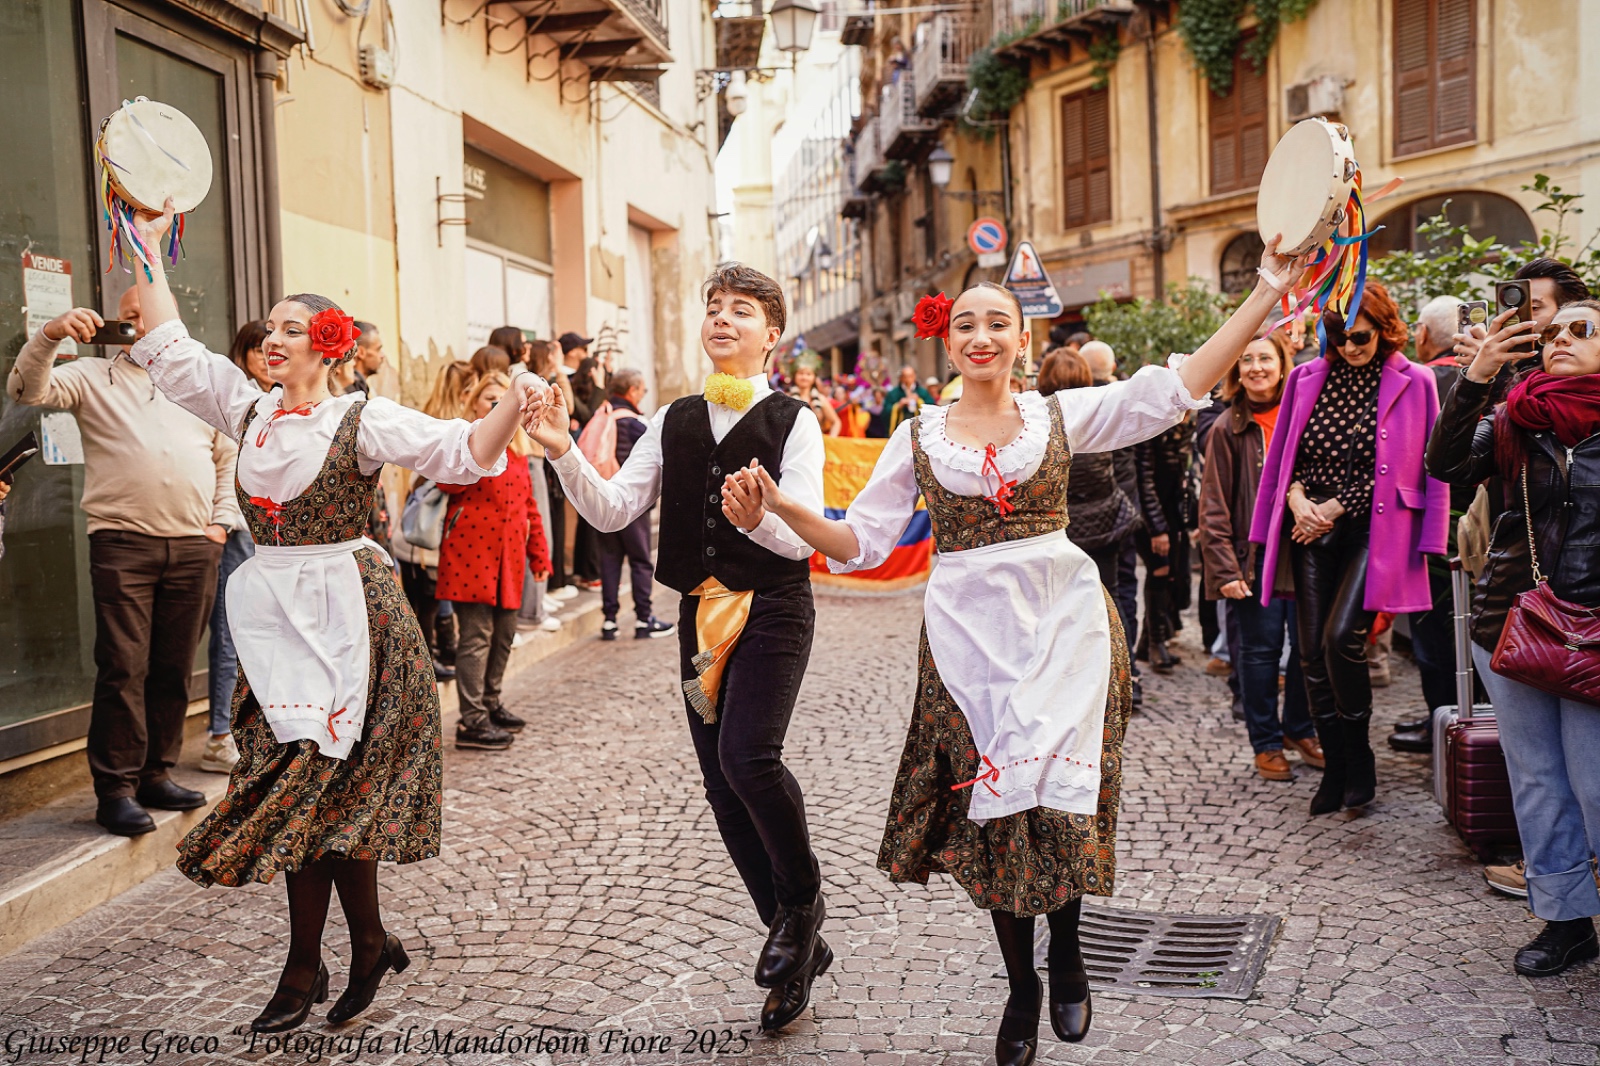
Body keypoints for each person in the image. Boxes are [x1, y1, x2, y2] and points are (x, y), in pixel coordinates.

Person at [732, 239, 1308, 1062]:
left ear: (1021, 338)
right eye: (966, 322)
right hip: (970, 646)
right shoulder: (919, 434)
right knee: (997, 816)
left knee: (1058, 804)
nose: (981, 335)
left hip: (1067, 628)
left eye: (997, 321)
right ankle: (1022, 985)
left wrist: (1264, 292)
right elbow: (858, 540)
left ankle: (1066, 952)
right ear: (948, 339)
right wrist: (780, 508)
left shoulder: (1058, 415)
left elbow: (1176, 388)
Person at [122, 199, 538, 1032]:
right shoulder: (245, 408)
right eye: (268, 328)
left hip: (357, 623)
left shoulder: (363, 417)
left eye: (290, 328)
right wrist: (141, 239)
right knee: (307, 795)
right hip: (278, 625)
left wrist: (516, 399)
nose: (272, 338)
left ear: (328, 343)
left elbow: (461, 452)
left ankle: (307, 967)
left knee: (334, 795)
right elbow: (166, 341)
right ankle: (358, 945)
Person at [526, 265, 831, 1035]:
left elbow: (803, 537)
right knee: (722, 790)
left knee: (749, 758)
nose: (722, 320)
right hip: (700, 615)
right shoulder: (671, 419)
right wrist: (563, 450)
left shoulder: (796, 420)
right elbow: (614, 507)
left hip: (772, 609)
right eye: (713, 309)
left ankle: (801, 903)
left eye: (742, 311)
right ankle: (796, 943)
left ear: (772, 333)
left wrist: (759, 520)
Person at [7, 287, 237, 836]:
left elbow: (228, 453)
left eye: (149, 315)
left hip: (193, 545)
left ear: (172, 321)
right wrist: (51, 334)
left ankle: (156, 772)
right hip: (123, 544)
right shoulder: (89, 375)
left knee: (174, 667)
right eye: (130, 315)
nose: (138, 324)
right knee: (123, 666)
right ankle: (115, 789)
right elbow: (25, 389)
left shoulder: (199, 380)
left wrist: (219, 524)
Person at [1426, 298, 1600, 978]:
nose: (1560, 339)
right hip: (1520, 623)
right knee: (1537, 780)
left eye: (1580, 330)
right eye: (1551, 331)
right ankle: (1564, 921)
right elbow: (1444, 466)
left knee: (1594, 783)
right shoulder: (1516, 417)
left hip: (1595, 631)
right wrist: (1475, 376)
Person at [1250, 280, 1449, 816]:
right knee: (1311, 650)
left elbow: (1423, 465)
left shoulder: (1417, 380)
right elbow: (1286, 454)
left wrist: (1337, 508)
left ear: (1383, 331)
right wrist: (1293, 501)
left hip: (1374, 528)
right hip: (1309, 526)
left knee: (1342, 638)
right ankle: (1335, 766)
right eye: (1337, 337)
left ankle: (1358, 759)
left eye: (1359, 337)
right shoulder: (1306, 378)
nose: (1349, 348)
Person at [1199, 331, 1322, 781]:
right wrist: (1225, 569)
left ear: (1282, 362)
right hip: (1254, 559)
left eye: (1265, 358)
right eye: (1246, 359)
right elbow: (1212, 504)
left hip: (1305, 551)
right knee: (1260, 653)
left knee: (1310, 650)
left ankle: (1300, 729)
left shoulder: (1304, 415)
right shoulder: (1226, 427)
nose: (1256, 368)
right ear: (1235, 371)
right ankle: (1267, 743)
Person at [436, 372, 551, 750]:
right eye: (491, 400)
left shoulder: (518, 454)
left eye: (506, 400)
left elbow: (530, 508)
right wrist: (477, 443)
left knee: (503, 636)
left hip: (510, 560)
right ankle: (472, 721)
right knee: (476, 637)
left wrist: (540, 553)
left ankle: (490, 702)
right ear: (473, 404)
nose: (499, 406)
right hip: (472, 556)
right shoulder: (466, 444)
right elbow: (446, 482)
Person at [1388, 295, 1467, 754]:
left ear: (1421, 336)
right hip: (1483, 528)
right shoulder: (1489, 379)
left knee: (1434, 635)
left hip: (1432, 530)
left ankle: (1443, 727)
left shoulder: (1422, 381)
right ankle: (1456, 722)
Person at [202, 321, 274, 774]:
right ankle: (218, 736)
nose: (270, 357)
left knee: (264, 637)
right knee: (230, 637)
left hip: (273, 537)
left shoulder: (282, 398)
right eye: (261, 349)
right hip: (237, 532)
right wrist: (221, 521)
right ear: (244, 353)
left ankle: (256, 729)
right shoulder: (237, 400)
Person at [579, 369, 675, 641]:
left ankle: (609, 621)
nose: (643, 395)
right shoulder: (636, 424)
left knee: (609, 561)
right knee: (640, 561)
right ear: (632, 390)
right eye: (643, 390)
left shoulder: (603, 416)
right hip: (632, 507)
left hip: (604, 499)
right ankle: (644, 619)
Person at [1037, 348, 1137, 604]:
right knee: (1109, 598)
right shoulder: (1101, 412)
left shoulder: (1036, 422)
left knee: (1062, 602)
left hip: (1061, 528)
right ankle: (1122, 645)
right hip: (1103, 519)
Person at [789, 359, 841, 436]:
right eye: (800, 373)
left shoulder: (820, 399)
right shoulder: (787, 397)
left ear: (814, 377)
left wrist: (830, 441)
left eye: (808, 374)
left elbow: (836, 422)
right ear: (794, 376)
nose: (804, 377)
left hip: (815, 443)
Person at [884, 364, 933, 432]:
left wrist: (919, 401)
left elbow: (932, 408)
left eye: (910, 376)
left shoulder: (922, 392)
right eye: (905, 377)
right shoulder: (893, 393)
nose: (908, 379)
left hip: (919, 429)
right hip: (900, 428)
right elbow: (885, 411)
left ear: (914, 376)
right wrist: (898, 406)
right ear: (901, 378)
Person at [350, 321, 384, 394]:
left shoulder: (361, 387)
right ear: (361, 352)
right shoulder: (353, 393)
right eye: (378, 350)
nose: (382, 356)